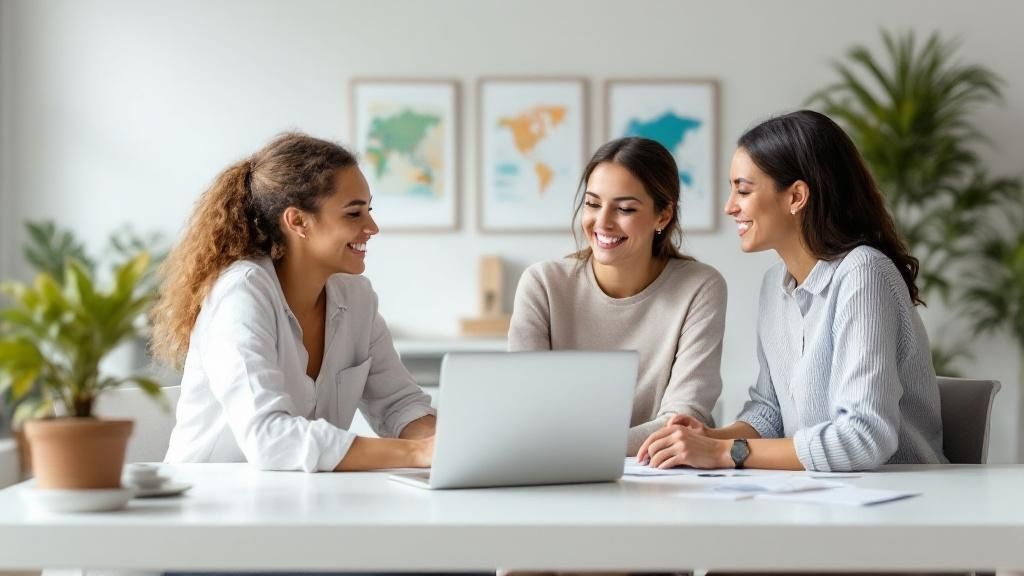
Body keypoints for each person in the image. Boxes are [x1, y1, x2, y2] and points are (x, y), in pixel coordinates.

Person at [638, 110, 946, 472]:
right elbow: (770, 413)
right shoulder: (774, 284)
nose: (730, 206)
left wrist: (726, 454)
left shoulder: (863, 273)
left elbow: (865, 436)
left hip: (900, 497)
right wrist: (710, 437)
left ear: (796, 196)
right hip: (820, 496)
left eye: (743, 189)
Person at [154, 132, 435, 472]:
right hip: (208, 508)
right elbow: (269, 438)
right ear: (297, 221)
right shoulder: (241, 294)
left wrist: (442, 443)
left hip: (299, 503)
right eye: (353, 214)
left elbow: (398, 403)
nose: (372, 227)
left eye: (369, 210)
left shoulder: (357, 297)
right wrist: (415, 454)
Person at [508, 137, 727, 455]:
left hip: (657, 477)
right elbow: (524, 411)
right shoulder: (543, 284)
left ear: (663, 216)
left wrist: (571, 448)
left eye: (625, 208)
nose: (603, 222)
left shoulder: (699, 287)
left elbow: (683, 421)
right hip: (554, 474)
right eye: (593, 204)